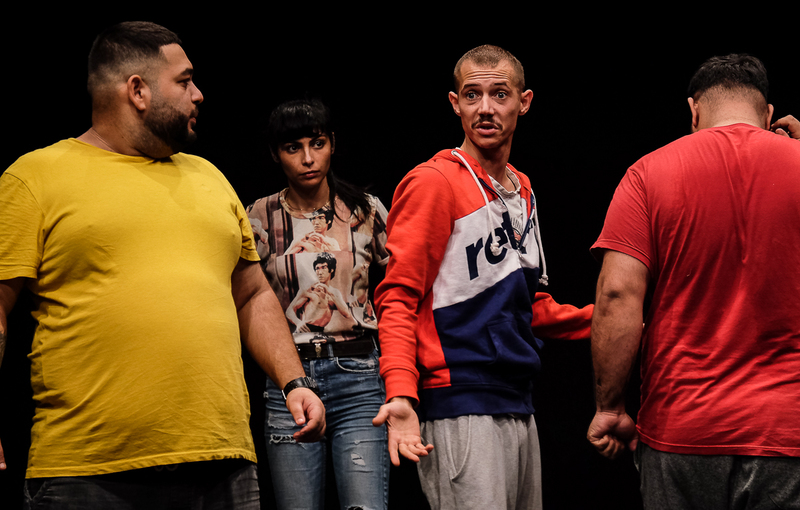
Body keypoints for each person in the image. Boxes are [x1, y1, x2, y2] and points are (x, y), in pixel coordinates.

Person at [0, 21, 325, 510]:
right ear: (138, 91)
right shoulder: (35, 178)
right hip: (90, 474)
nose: (198, 94)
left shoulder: (209, 176)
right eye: (184, 81)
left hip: (223, 467)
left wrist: (293, 382)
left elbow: (252, 294)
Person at [371, 44, 594, 510]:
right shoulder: (434, 182)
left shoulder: (522, 190)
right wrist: (401, 394)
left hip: (518, 401)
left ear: (524, 102)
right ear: (456, 104)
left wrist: (614, 320)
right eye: (472, 95)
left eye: (500, 94)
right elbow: (397, 297)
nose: (485, 108)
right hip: (460, 401)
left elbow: (530, 307)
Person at [587, 53, 800, 509]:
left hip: (682, 427)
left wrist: (610, 407)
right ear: (768, 114)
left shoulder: (647, 174)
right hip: (787, 431)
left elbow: (617, 295)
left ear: (693, 110)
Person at [246, 98, 391, 510]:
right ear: (275, 153)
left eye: (318, 143)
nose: (308, 158)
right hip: (289, 377)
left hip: (359, 375)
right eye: (293, 147)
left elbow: (400, 289)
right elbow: (245, 297)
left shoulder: (364, 210)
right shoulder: (259, 216)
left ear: (333, 144)